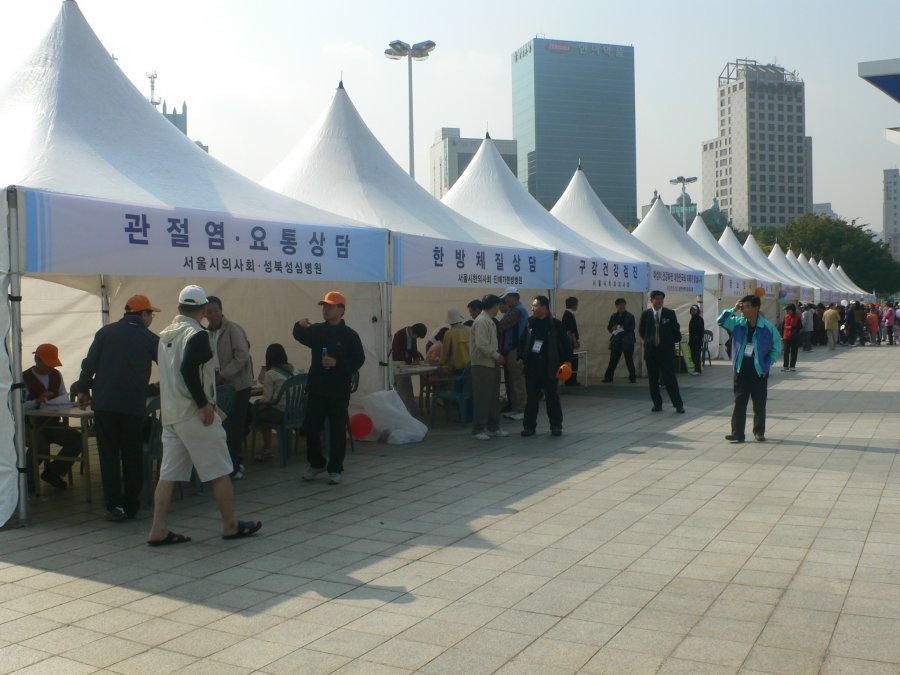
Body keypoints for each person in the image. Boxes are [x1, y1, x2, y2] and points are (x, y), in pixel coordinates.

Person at [148, 285, 261, 545]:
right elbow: (189, 370)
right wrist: (203, 404)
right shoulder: (197, 334)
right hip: (194, 413)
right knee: (221, 469)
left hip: (172, 414)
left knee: (168, 474)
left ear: (178, 308)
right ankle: (230, 525)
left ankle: (158, 529)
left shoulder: (164, 335)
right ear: (202, 310)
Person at [77, 296, 160, 521]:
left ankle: (115, 506)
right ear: (142, 314)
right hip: (132, 405)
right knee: (132, 455)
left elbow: (89, 364)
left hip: (104, 404)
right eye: (151, 314)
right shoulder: (149, 338)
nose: (152, 318)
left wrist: (83, 389)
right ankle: (131, 505)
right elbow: (167, 364)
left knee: (109, 455)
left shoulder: (105, 332)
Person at [293, 290, 365, 485]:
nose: (325, 309)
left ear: (341, 310)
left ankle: (335, 468)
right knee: (311, 428)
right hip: (316, 387)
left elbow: (358, 360)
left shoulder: (350, 335)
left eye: (330, 306)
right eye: (324, 306)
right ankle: (316, 463)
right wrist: (299, 324)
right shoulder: (318, 330)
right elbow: (298, 335)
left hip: (338, 391)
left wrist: (337, 363)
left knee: (336, 430)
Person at [717, 294, 782, 443]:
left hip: (758, 371)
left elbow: (777, 346)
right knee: (739, 402)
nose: (743, 309)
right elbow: (720, 321)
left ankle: (759, 431)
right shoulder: (738, 323)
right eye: (742, 306)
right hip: (741, 370)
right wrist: (733, 309)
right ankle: (737, 433)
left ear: (756, 308)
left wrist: (768, 362)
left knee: (759, 403)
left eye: (747, 306)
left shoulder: (768, 327)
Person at [206, 296, 253, 480]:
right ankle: (227, 464)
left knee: (234, 428)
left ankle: (233, 466)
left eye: (216, 310)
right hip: (218, 386)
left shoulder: (233, 329)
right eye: (209, 312)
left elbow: (242, 356)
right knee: (221, 428)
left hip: (237, 386)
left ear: (221, 310)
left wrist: (223, 375)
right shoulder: (206, 333)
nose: (213, 315)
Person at [24, 344, 82, 490]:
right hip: (30, 425)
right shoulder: (23, 378)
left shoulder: (56, 375)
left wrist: (70, 404)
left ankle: (54, 473)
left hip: (51, 423)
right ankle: (26, 480)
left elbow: (63, 396)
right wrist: (37, 401)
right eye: (47, 364)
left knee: (77, 439)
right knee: (40, 448)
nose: (51, 368)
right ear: (37, 360)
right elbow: (17, 407)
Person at [517, 295, 573, 437]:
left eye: (535, 305)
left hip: (550, 365)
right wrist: (520, 358)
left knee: (552, 397)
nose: (532, 308)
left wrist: (567, 361)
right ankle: (529, 427)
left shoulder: (555, 324)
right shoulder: (530, 323)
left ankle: (556, 425)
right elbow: (522, 342)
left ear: (544, 307)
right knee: (531, 398)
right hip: (532, 366)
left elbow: (566, 345)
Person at [638, 290, 684, 413]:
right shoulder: (646, 314)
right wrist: (650, 341)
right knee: (653, 380)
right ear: (651, 300)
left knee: (670, 378)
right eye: (657, 299)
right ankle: (657, 404)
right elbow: (642, 331)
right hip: (651, 352)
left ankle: (678, 404)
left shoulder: (669, 313)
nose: (659, 301)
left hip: (666, 352)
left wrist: (668, 342)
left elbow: (676, 331)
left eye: (661, 299)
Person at [254, 343, 302, 461]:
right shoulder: (294, 369)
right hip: (297, 412)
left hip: (280, 412)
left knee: (257, 411)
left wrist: (257, 405)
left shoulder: (270, 374)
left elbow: (267, 400)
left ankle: (267, 448)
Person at [470, 294, 507, 441]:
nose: (499, 308)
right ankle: (478, 429)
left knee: (493, 397)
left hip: (491, 363)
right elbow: (481, 344)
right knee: (482, 398)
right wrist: (496, 355)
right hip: (482, 364)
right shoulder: (481, 321)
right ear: (495, 305)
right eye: (498, 305)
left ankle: (494, 427)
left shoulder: (489, 320)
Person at [497, 287, 528, 421]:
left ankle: (521, 409)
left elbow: (502, 325)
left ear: (512, 297)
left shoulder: (517, 311)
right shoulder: (515, 310)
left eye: (506, 298)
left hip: (515, 349)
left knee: (517, 381)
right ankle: (516, 408)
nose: (504, 300)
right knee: (513, 381)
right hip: (512, 349)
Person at [391, 322, 427, 417]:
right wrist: (408, 362)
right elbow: (396, 351)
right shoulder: (399, 335)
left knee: (407, 389)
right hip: (398, 364)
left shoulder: (412, 336)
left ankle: (411, 411)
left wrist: (416, 358)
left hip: (406, 364)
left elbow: (414, 349)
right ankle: (406, 413)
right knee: (403, 389)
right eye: (417, 336)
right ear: (413, 331)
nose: (416, 338)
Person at [602, 298, 637, 383]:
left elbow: (631, 328)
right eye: (619, 305)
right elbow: (609, 327)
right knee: (613, 360)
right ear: (616, 306)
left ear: (625, 305)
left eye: (623, 304)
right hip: (617, 341)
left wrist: (620, 328)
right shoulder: (613, 316)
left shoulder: (630, 316)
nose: (622, 306)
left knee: (629, 360)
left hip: (627, 341)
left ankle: (633, 377)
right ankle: (608, 377)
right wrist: (613, 328)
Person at [561, 297, 581, 387]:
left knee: (573, 360)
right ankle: (571, 380)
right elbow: (571, 331)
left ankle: (571, 379)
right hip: (570, 342)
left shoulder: (569, 314)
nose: (577, 306)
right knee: (573, 360)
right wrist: (575, 342)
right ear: (573, 305)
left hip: (570, 341)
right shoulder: (568, 315)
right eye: (576, 304)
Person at [781, 304, 801, 371]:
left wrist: (792, 327)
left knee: (794, 351)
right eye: (786, 310)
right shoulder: (785, 317)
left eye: (788, 310)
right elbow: (782, 327)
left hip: (794, 337)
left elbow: (800, 327)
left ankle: (792, 366)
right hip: (786, 337)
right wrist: (781, 336)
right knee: (786, 352)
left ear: (792, 310)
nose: (786, 311)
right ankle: (785, 366)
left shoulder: (797, 317)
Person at [688, 304, 705, 376]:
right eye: (692, 310)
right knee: (693, 356)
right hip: (692, 340)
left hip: (697, 341)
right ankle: (696, 369)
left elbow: (701, 330)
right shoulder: (692, 318)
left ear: (697, 311)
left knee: (696, 356)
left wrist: (697, 337)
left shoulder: (699, 319)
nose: (693, 311)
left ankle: (698, 370)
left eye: (694, 310)